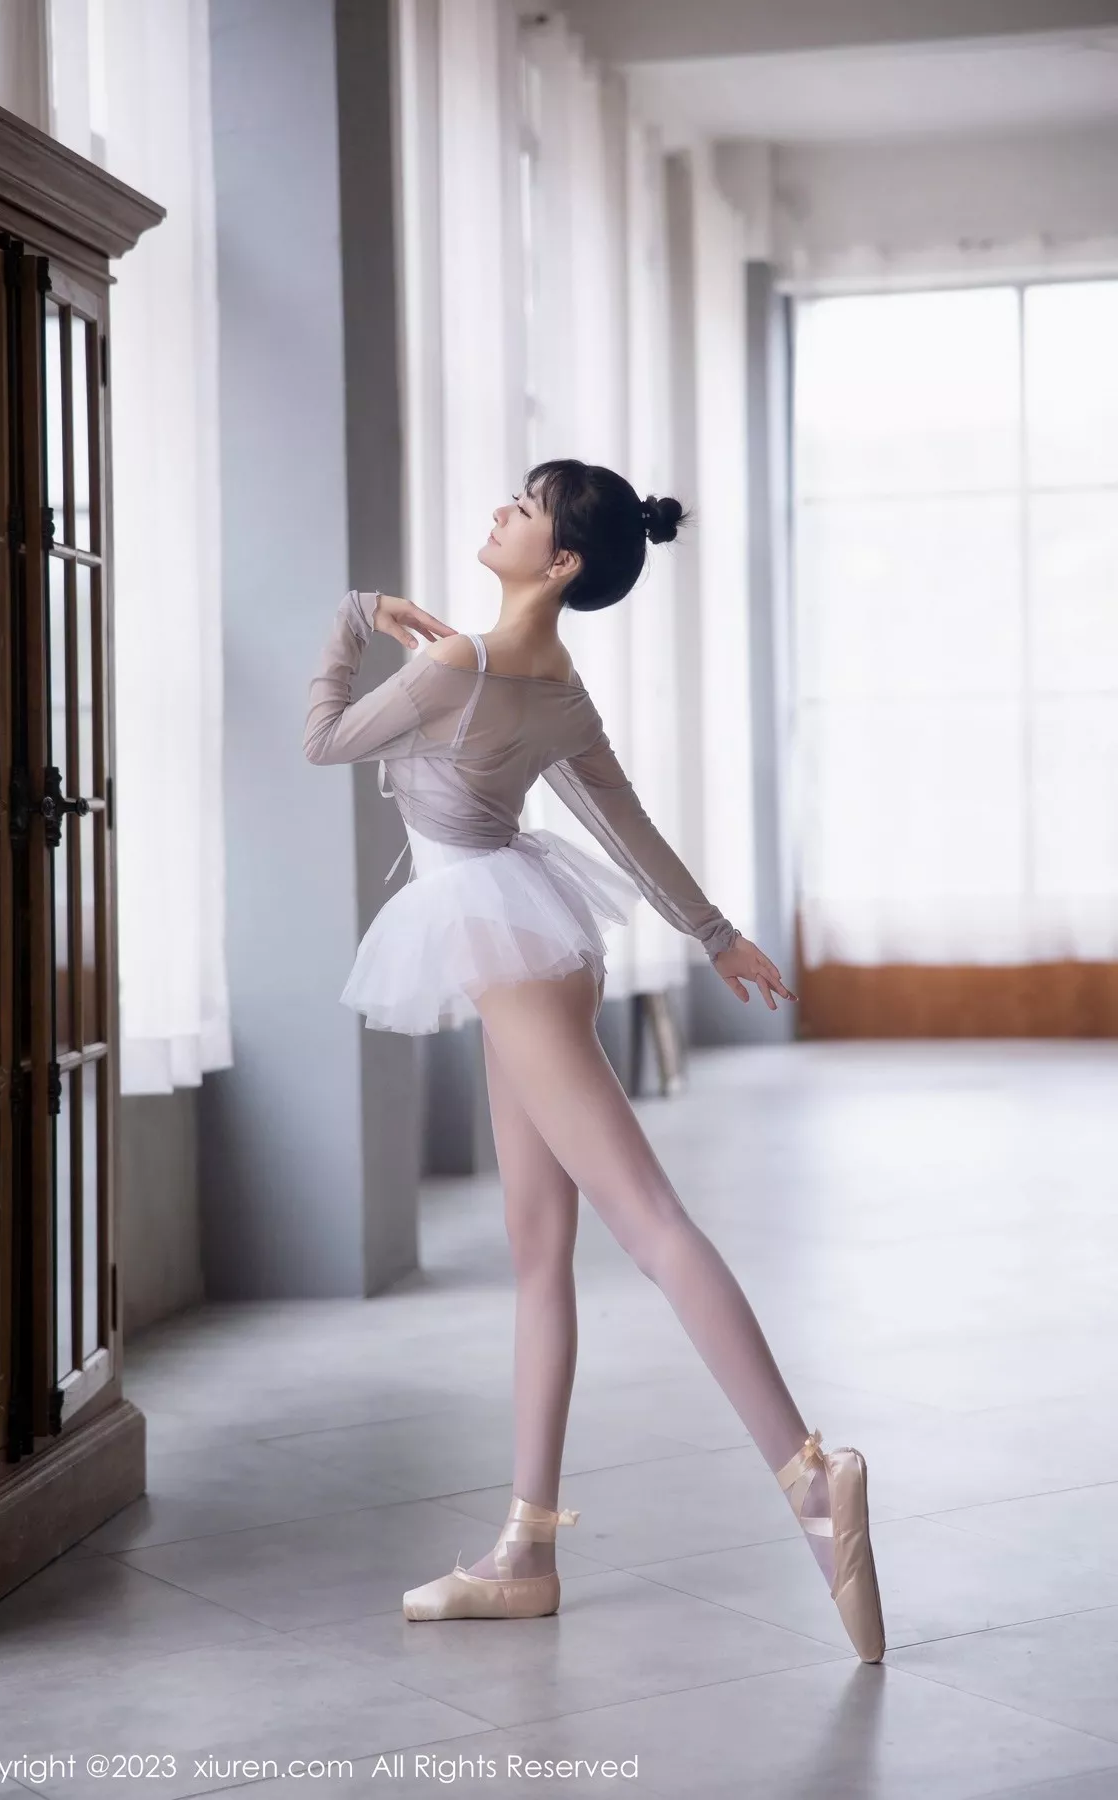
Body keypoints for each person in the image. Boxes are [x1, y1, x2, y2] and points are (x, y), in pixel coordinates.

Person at [303, 459, 885, 1663]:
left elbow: (322, 742)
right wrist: (714, 936)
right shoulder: (555, 683)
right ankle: (526, 1552)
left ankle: (812, 1480)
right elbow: (631, 830)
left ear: (561, 560)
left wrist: (359, 612)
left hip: (508, 953)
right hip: (533, 946)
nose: (500, 510)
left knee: (650, 1223)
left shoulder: (456, 666)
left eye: (524, 508)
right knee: (539, 1254)